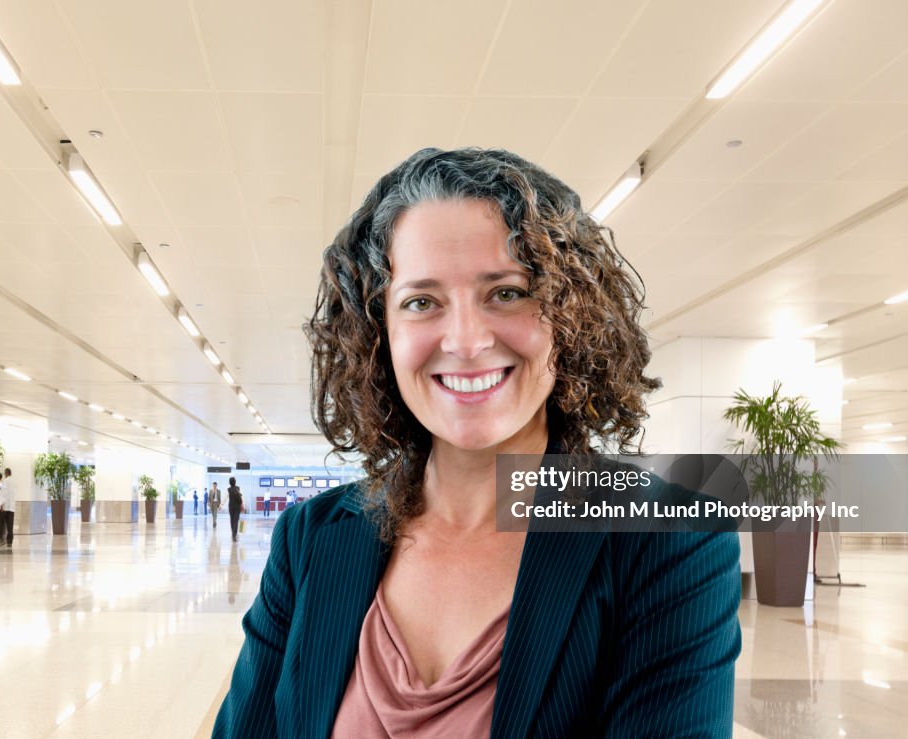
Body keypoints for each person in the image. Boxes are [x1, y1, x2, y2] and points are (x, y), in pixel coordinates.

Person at [214, 148, 741, 738]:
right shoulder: (309, 538)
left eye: (507, 292)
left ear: (571, 315)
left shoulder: (668, 539)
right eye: (421, 302)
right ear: (378, 334)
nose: (465, 341)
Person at [227, 478, 245, 543]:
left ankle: (233, 533)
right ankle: (234, 535)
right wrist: (242, 505)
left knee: (232, 520)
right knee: (236, 521)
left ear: (229, 483)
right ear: (235, 482)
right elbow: (240, 499)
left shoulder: (228, 489)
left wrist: (221, 505)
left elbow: (226, 497)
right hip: (237, 507)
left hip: (231, 507)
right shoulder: (237, 489)